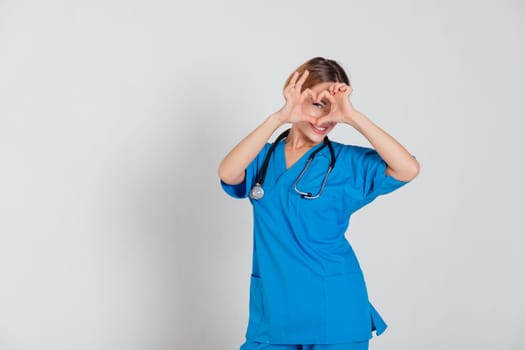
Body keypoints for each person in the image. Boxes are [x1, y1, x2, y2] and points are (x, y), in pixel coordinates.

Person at [218, 57, 420, 350]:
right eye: (317, 104)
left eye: (333, 109)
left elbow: (408, 169)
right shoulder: (262, 158)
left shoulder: (347, 163)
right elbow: (227, 172)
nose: (325, 118)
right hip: (274, 313)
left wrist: (353, 117)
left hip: (335, 310)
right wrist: (279, 117)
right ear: (295, 94)